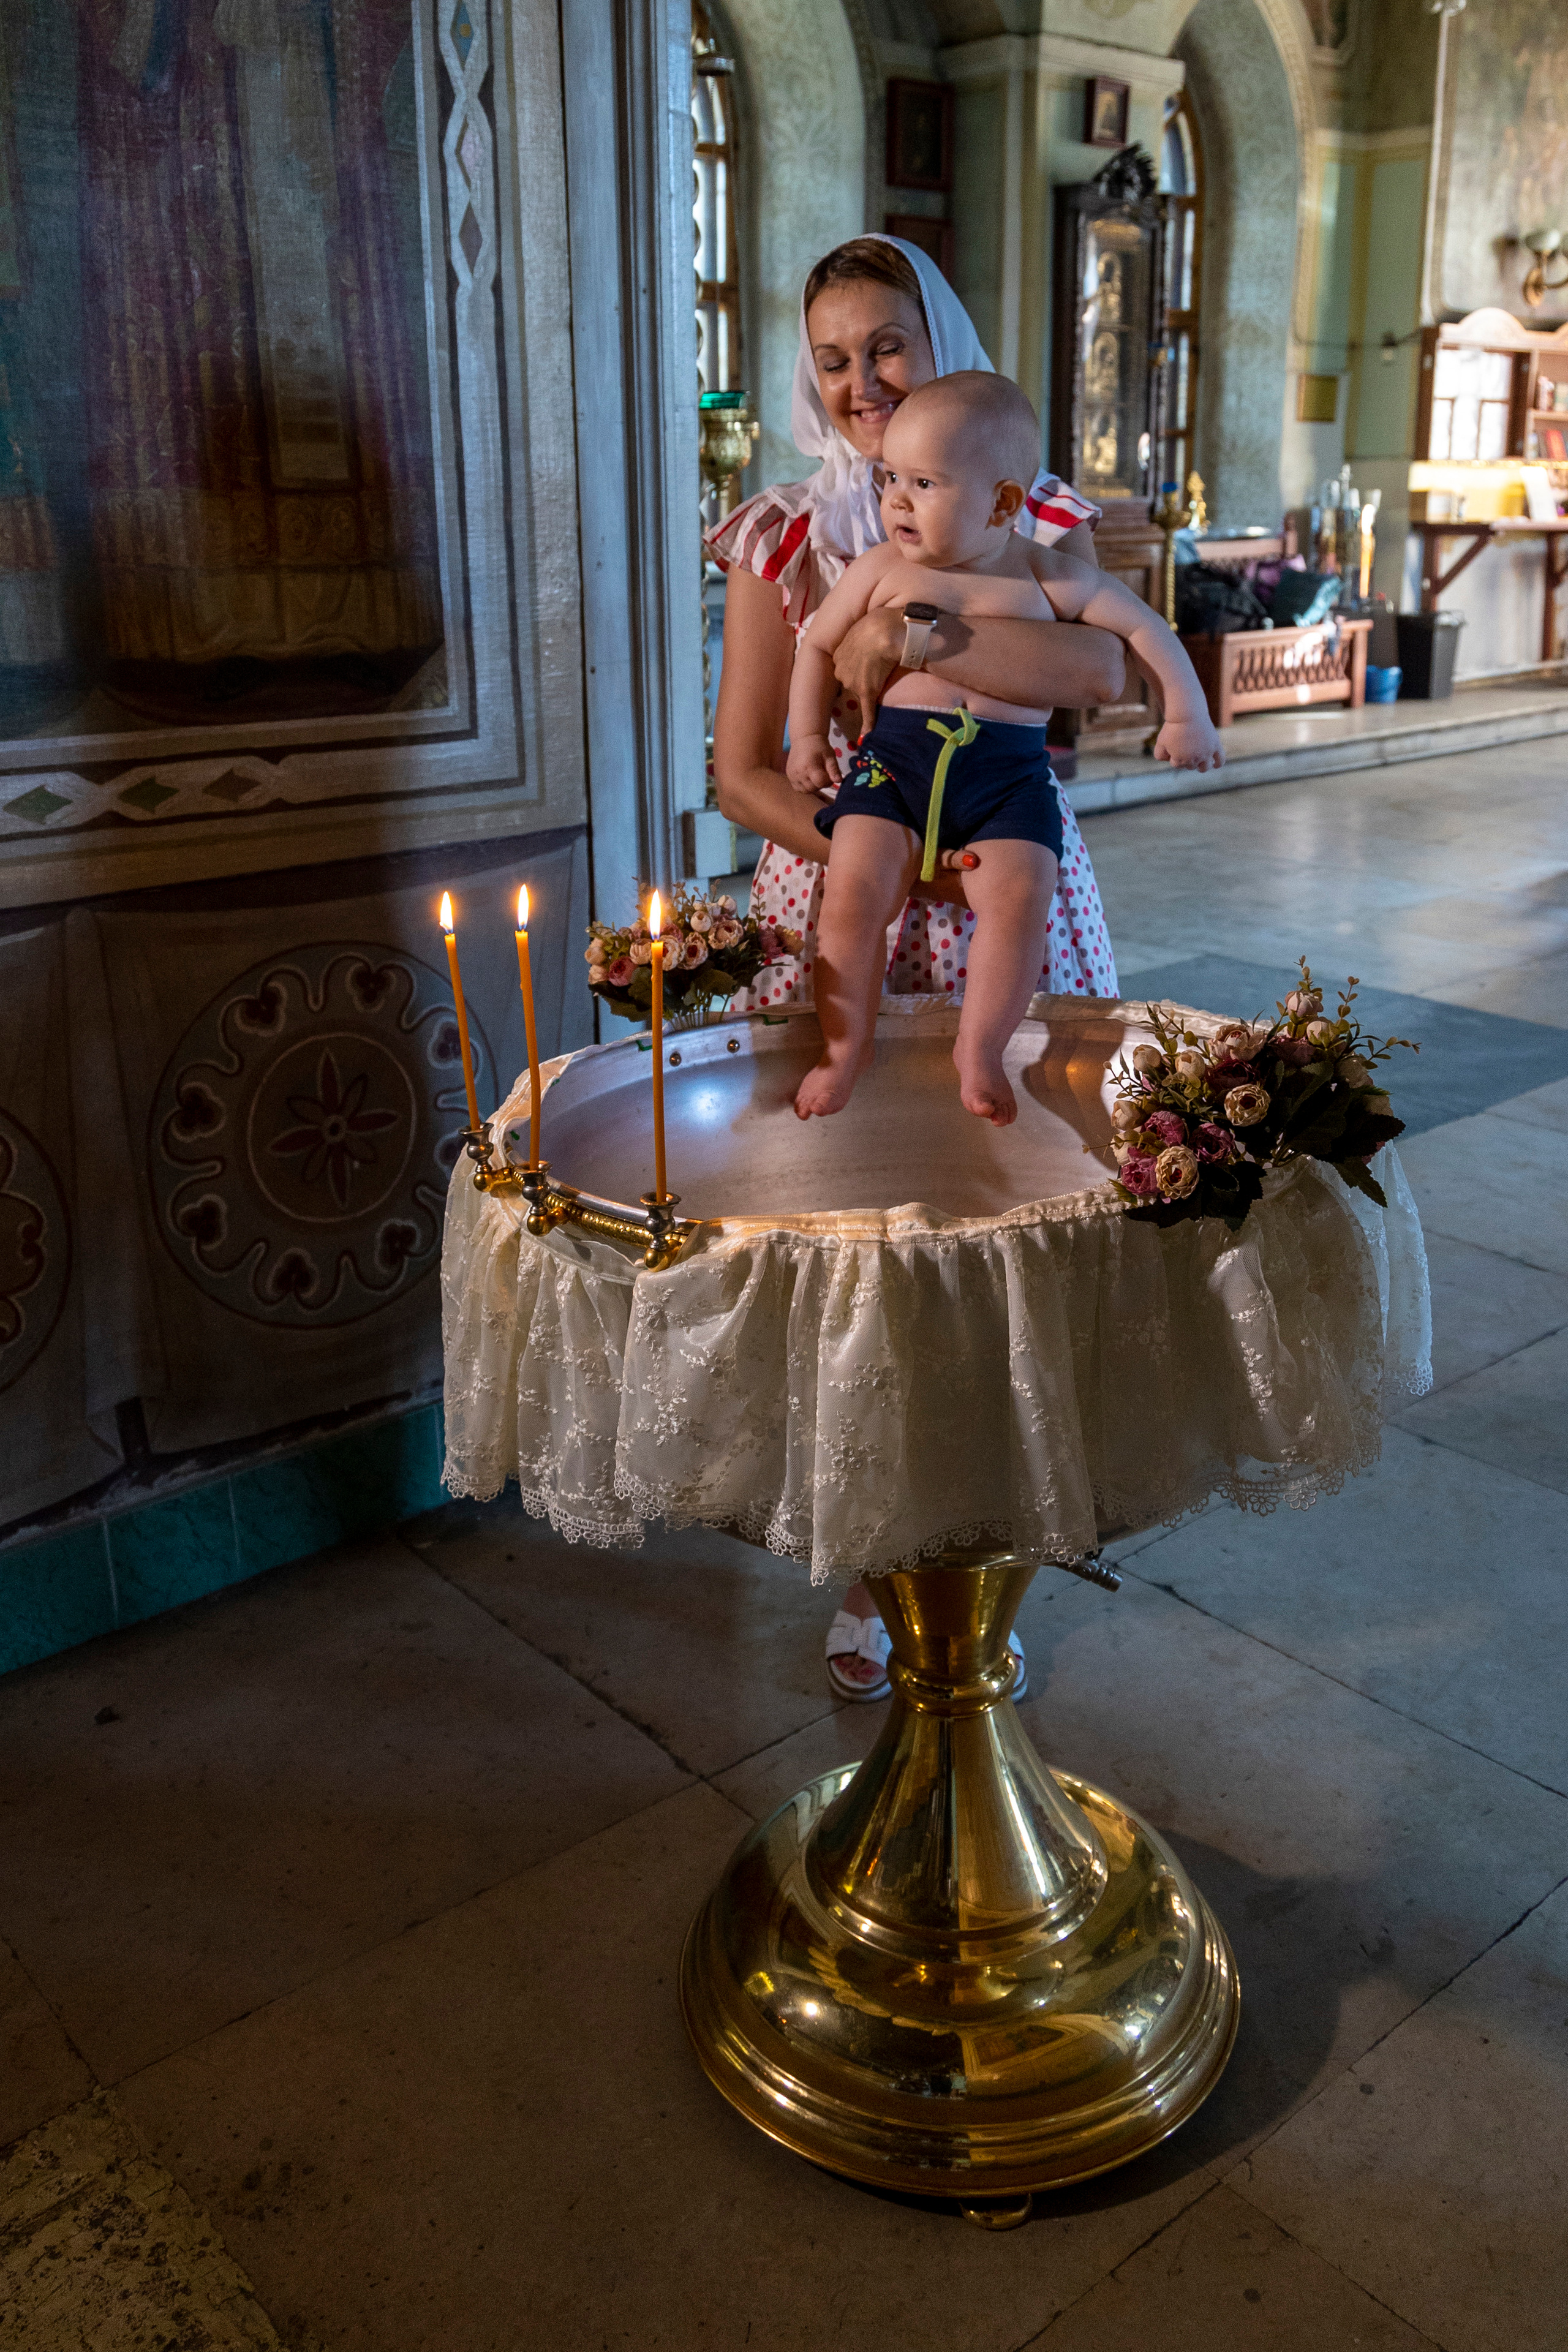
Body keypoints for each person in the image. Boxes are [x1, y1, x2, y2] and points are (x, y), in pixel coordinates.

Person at [707, 234, 1125, 1703]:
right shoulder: (785, 537)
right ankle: (860, 1562)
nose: (860, 380)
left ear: (936, 339)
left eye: (886, 343)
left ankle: (993, 1527)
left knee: (999, 1215)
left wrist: (933, 632)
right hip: (852, 891)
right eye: (831, 356)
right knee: (851, 1240)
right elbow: (740, 770)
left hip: (1003, 884)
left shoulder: (1025, 508)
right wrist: (870, 840)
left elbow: (1092, 680)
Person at [788, 372, 1223, 1124]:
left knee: (1021, 894)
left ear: (1001, 503)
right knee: (854, 889)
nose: (895, 498)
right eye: (889, 478)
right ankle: (842, 1044)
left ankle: (979, 1046)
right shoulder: (880, 569)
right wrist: (804, 739)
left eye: (924, 482)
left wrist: (1186, 713)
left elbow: (1143, 628)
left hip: (1009, 776)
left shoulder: (1045, 572)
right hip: (893, 765)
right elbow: (816, 644)